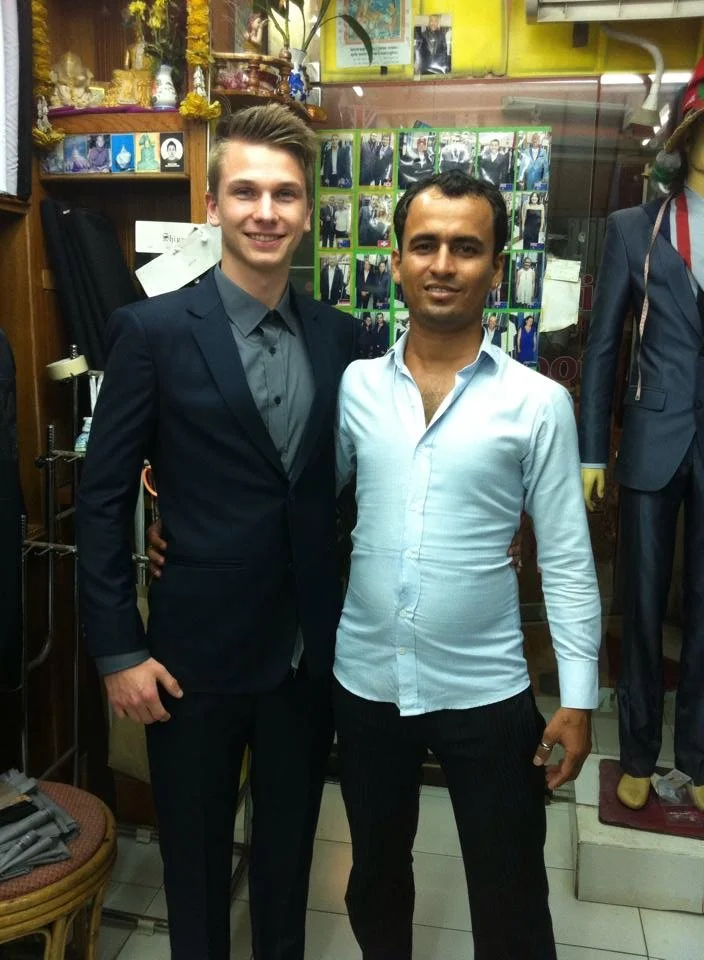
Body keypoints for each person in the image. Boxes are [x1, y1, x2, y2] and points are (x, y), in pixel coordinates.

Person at [76, 102, 356, 960]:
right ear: (212, 204)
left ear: (307, 209)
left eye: (285, 194)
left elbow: (346, 490)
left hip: (306, 658)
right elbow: (102, 496)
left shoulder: (344, 340)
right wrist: (118, 651)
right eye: (246, 192)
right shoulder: (151, 332)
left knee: (287, 863)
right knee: (194, 874)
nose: (265, 212)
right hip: (187, 665)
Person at [333, 170, 601, 959]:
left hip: (486, 689)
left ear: (496, 266)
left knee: (511, 896)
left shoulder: (538, 402)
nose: (443, 264)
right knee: (375, 881)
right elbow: (305, 510)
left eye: (466, 247)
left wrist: (578, 698)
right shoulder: (355, 389)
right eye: (425, 244)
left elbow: (568, 557)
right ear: (396, 259)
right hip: (366, 683)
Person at [579, 69, 704, 813]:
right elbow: (602, 347)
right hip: (655, 435)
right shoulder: (636, 228)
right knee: (644, 599)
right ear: (687, 141)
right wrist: (593, 449)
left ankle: (697, 754)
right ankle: (635, 750)